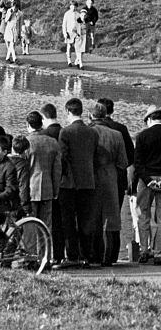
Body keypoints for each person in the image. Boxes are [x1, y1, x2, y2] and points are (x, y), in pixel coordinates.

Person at [57, 98, 98, 268]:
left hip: (69, 183)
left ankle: (72, 255)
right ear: (81, 111)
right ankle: (86, 256)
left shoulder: (65, 132)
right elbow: (94, 156)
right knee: (85, 220)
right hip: (88, 181)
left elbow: (63, 158)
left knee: (68, 221)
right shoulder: (92, 133)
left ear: (68, 112)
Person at [88, 102, 128, 266]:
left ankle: (94, 254)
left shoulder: (88, 132)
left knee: (92, 216)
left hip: (91, 177)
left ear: (91, 116)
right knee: (111, 219)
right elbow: (123, 162)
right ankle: (110, 257)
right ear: (105, 115)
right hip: (111, 177)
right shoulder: (117, 134)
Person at [25, 111, 62, 253]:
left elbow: (21, 169)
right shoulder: (53, 142)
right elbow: (57, 170)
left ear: (28, 125)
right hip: (48, 189)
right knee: (46, 225)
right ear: (41, 124)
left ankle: (30, 256)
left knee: (29, 224)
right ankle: (45, 255)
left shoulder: (26, 142)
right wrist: (55, 190)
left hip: (30, 189)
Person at [133, 105, 161, 265]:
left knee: (143, 215)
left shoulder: (142, 136)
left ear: (149, 119)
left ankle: (144, 250)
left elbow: (138, 163)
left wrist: (148, 180)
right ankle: (158, 252)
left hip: (146, 180)